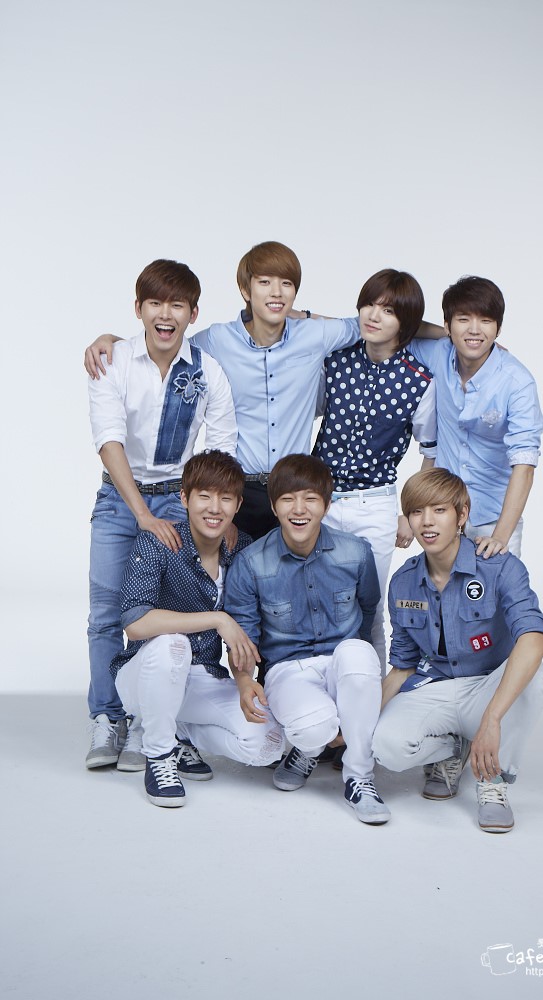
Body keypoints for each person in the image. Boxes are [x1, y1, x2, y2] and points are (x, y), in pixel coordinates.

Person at [84, 242, 446, 542]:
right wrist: (114, 342)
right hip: (237, 490)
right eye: (265, 282)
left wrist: (452, 336)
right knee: (231, 589)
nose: (276, 292)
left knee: (289, 594)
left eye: (286, 283)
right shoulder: (217, 340)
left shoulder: (316, 336)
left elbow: (383, 322)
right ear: (246, 290)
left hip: (292, 492)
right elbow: (166, 341)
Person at [86, 259, 237, 770]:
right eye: (155, 303)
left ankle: (146, 720)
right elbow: (109, 440)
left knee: (160, 612)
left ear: (193, 313)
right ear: (139, 309)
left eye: (177, 304)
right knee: (106, 613)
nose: (165, 314)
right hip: (118, 497)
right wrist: (142, 514)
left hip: (178, 496)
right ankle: (107, 716)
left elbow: (221, 449)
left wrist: (219, 512)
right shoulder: (111, 361)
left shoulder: (208, 371)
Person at [372, 468, 543, 833]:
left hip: (487, 688)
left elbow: (533, 639)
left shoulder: (498, 567)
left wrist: (492, 718)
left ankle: (493, 780)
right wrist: (359, 723)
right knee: (384, 746)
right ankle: (454, 749)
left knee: (535, 679)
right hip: (436, 686)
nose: (427, 521)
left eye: (439, 510)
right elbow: (402, 666)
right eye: (417, 511)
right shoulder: (404, 581)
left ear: (462, 515)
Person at [223, 454, 391, 825]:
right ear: (273, 506)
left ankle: (359, 777)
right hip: (288, 670)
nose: (299, 509)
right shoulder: (251, 563)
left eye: (310, 499)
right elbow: (244, 637)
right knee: (314, 727)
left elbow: (368, 617)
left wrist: (363, 690)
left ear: (327, 505)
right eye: (288, 499)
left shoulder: (356, 552)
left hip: (343, 663)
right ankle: (307, 748)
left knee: (359, 653)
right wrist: (244, 680)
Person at [111, 450, 284, 807]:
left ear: (238, 505)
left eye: (225, 499)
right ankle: (159, 755)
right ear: (184, 498)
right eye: (204, 496)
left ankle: (181, 734)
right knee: (172, 644)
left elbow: (245, 629)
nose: (214, 508)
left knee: (268, 744)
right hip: (145, 674)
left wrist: (243, 681)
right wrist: (218, 619)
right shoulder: (159, 541)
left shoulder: (242, 549)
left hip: (202, 676)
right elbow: (136, 622)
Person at [313, 268, 436, 669]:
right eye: (369, 304)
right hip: (320, 502)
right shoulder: (335, 362)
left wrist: (408, 513)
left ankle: (372, 697)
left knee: (370, 608)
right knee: (320, 603)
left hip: (375, 505)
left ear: (406, 323)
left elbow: (430, 451)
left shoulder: (419, 381)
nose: (373, 315)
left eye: (388, 310)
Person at [410, 276, 543, 558]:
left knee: (497, 587)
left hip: (494, 518)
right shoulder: (438, 354)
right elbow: (398, 326)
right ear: (447, 325)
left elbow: (525, 465)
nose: (474, 329)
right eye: (463, 319)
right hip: (443, 515)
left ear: (498, 328)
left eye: (485, 321)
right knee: (440, 587)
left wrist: (500, 538)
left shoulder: (517, 382)